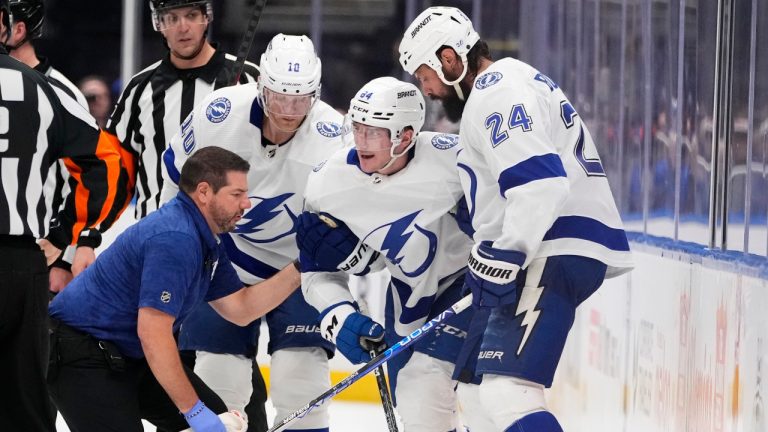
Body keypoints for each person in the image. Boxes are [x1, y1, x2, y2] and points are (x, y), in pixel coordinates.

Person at [398, 6, 634, 431]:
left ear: (449, 59)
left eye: (424, 74)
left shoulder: (498, 90)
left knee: (508, 391)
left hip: (552, 245)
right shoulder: (500, 88)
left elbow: (540, 184)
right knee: (475, 390)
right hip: (537, 246)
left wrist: (507, 251)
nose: (426, 88)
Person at [160, 33, 345, 431]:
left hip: (300, 266)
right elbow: (176, 179)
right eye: (280, 98)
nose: (289, 112)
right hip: (224, 258)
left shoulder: (336, 135)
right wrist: (177, 248)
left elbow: (350, 218)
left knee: (301, 380)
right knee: (219, 378)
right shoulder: (219, 113)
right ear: (261, 89)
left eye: (300, 100)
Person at [48, 146, 301, 432]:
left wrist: (302, 267)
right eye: (237, 194)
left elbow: (240, 308)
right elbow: (153, 333)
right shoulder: (176, 238)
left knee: (218, 420)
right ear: (204, 192)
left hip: (128, 354)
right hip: (81, 355)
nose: (247, 204)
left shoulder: (205, 238)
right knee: (205, 418)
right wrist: (194, 412)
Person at [104, 1, 266, 429]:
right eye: (171, 18)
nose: (182, 27)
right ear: (159, 24)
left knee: (231, 374)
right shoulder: (139, 91)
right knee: (168, 374)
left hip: (230, 251)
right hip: (163, 252)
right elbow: (111, 169)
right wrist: (87, 237)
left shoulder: (248, 81)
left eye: (191, 16)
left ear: (207, 18)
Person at [296, 76, 474, 432]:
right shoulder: (327, 183)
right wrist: (339, 314)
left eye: (373, 132)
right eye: (357, 128)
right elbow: (315, 271)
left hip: (471, 284)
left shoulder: (452, 159)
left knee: (483, 399)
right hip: (409, 297)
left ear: (406, 135)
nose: (361, 141)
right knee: (418, 407)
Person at [0, 1, 123, 430]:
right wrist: (71, 236)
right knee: (27, 401)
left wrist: (72, 244)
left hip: (33, 255)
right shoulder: (43, 89)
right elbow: (112, 165)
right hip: (23, 259)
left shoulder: (56, 89)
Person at [5, 0, 108, 293]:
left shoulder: (60, 93)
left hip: (39, 255)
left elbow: (93, 173)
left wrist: (66, 253)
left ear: (18, 28)